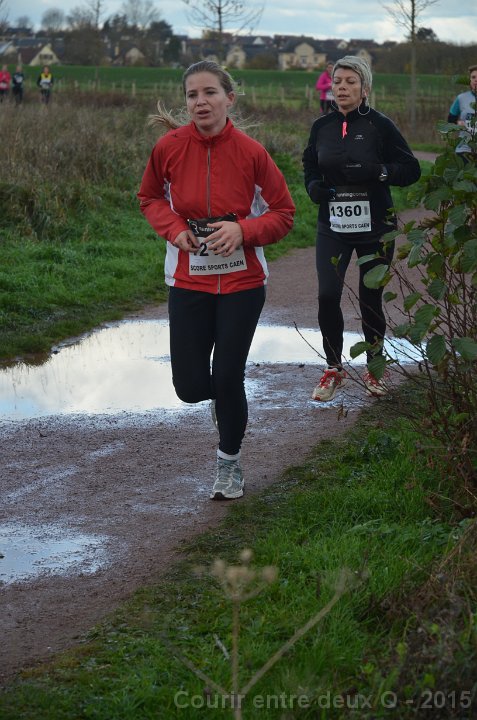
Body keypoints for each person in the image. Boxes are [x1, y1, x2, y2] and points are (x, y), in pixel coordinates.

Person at [138, 60, 295, 500]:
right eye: (192, 94)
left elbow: (284, 214)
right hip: (188, 282)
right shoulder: (168, 148)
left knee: (228, 375)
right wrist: (175, 230)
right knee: (189, 387)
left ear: (230, 98)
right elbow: (149, 197)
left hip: (243, 285)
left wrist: (243, 231)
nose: (200, 101)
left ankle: (229, 464)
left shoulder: (252, 153)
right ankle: (222, 404)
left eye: (210, 92)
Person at [303, 55, 421, 401]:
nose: (342, 87)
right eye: (337, 81)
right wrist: (313, 187)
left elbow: (411, 169)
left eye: (350, 82)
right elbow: (310, 165)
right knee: (327, 295)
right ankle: (333, 369)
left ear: (365, 88)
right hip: (333, 224)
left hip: (376, 225)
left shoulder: (380, 125)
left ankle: (374, 368)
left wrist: (379, 171)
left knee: (370, 298)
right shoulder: (321, 126)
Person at [447, 64, 477, 161]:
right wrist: (458, 123)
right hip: (464, 149)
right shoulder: (461, 98)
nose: (476, 80)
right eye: (473, 77)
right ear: (469, 80)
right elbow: (450, 119)